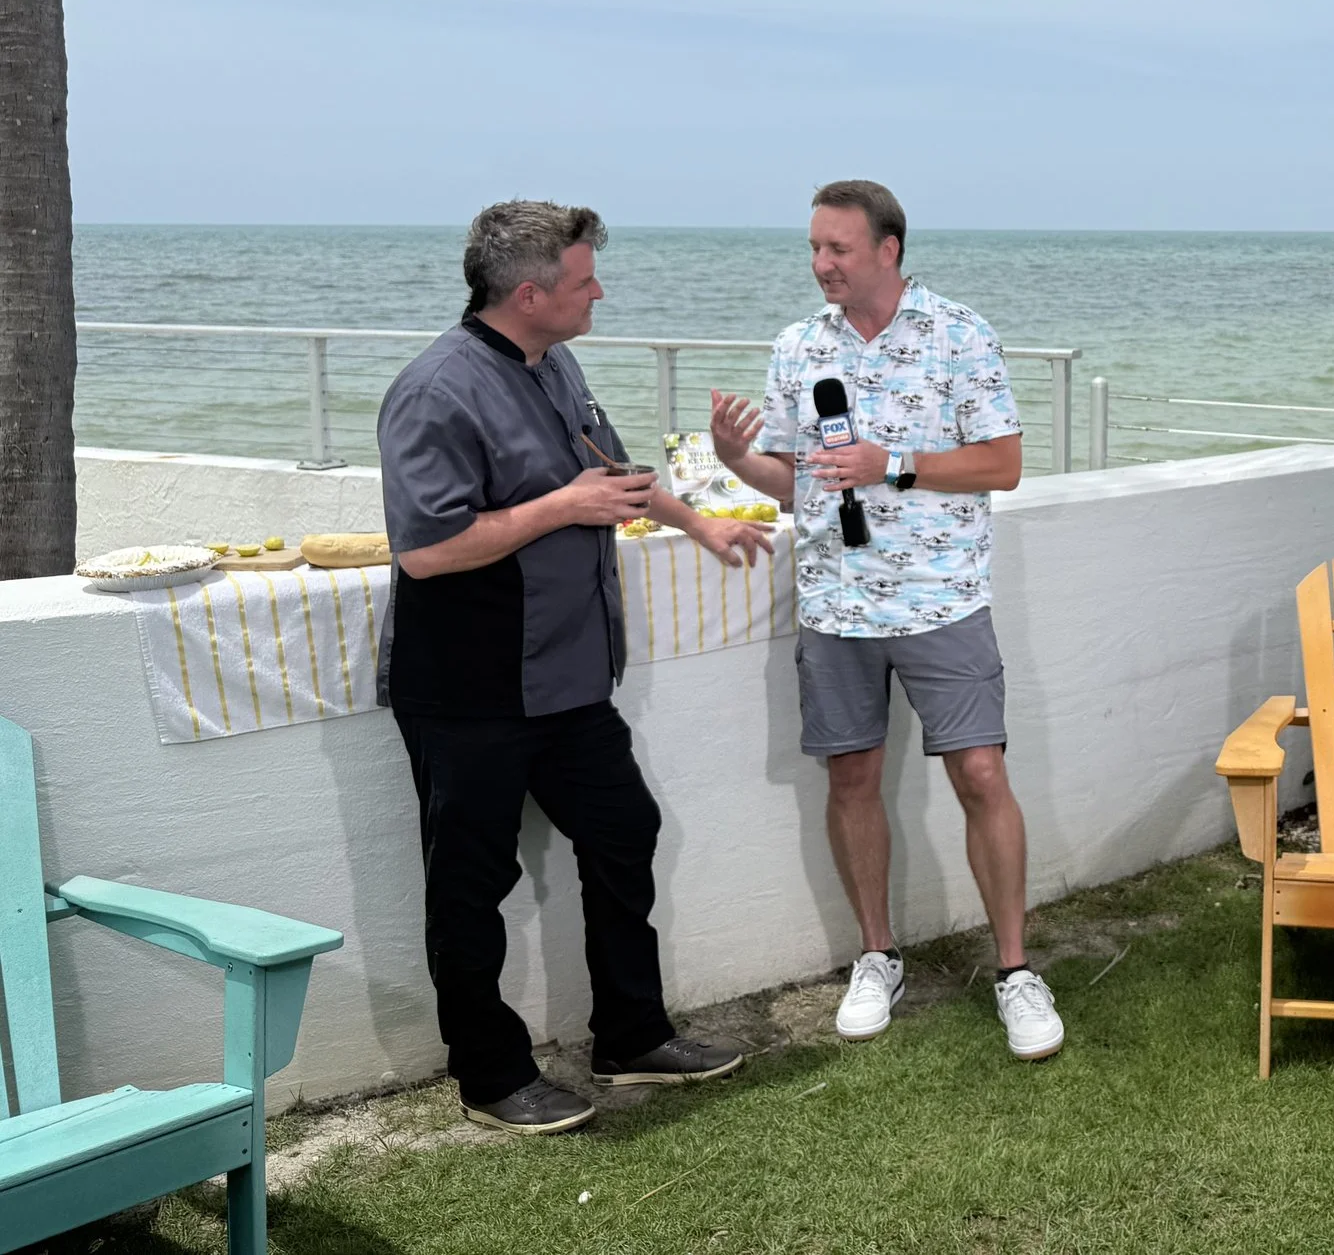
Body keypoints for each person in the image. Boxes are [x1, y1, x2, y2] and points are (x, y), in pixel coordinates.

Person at [378, 201, 772, 1135]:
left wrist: (700, 523)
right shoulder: (434, 390)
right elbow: (426, 550)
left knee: (626, 828)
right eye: (586, 280)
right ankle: (490, 1075)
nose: (600, 293)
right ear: (529, 292)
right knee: (471, 885)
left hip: (567, 679)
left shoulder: (555, 362)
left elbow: (610, 475)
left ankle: (631, 1035)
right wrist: (562, 506)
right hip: (470, 685)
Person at [706, 180, 1062, 1060]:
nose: (822, 264)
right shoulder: (797, 347)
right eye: (815, 248)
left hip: (943, 598)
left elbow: (1003, 464)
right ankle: (878, 956)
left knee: (981, 771)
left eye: (839, 248)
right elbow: (794, 482)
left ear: (888, 249)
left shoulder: (958, 333)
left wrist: (891, 462)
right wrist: (735, 457)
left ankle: (1016, 971)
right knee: (852, 778)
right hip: (835, 603)